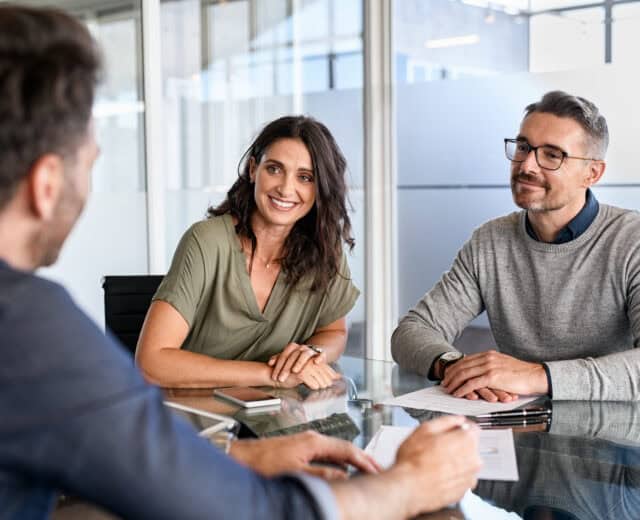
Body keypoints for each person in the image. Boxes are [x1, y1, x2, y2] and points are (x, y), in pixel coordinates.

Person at [0, 5, 482, 519]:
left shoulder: (26, 328)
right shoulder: (27, 326)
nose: (286, 187)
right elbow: (246, 509)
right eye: (92, 162)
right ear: (47, 183)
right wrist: (408, 484)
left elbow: (119, 463)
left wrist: (244, 448)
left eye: (305, 177)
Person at [392, 90, 640, 402]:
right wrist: (455, 366)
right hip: (514, 433)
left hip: (611, 439)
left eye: (552, 155)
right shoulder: (490, 241)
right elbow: (411, 331)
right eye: (523, 147)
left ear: (592, 173)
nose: (527, 166)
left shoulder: (632, 241)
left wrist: (537, 375)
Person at [136, 116, 360, 390]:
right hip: (193, 418)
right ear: (253, 170)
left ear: (320, 187)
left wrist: (311, 355)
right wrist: (270, 375)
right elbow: (151, 362)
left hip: (274, 420)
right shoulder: (206, 241)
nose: (286, 188)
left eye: (305, 177)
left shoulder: (326, 249)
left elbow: (333, 331)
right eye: (275, 169)